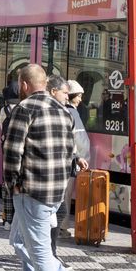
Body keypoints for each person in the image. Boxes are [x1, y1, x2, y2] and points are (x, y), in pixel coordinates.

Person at [3, 64, 76, 271]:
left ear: (24, 84)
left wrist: (13, 184)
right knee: (29, 244)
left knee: (40, 251)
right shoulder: (63, 110)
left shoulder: (24, 109)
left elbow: (13, 152)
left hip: (31, 191)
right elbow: (70, 152)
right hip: (56, 190)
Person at [52, 78, 91, 250]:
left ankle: (57, 226)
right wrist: (84, 157)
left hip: (60, 160)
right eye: (79, 96)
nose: (80, 99)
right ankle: (62, 227)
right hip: (70, 161)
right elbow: (80, 139)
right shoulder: (72, 113)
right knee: (65, 196)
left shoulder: (59, 110)